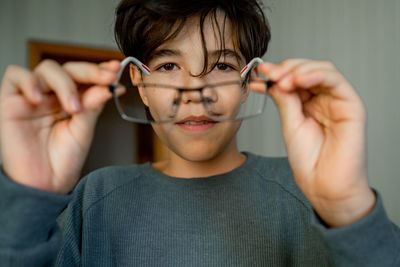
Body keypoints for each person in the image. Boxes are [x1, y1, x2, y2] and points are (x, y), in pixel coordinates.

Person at [0, 0, 399, 266]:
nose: (196, 94)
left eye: (223, 66)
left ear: (250, 83)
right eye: (169, 66)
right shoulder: (96, 199)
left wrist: (347, 209)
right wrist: (26, 202)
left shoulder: (310, 195)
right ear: (137, 81)